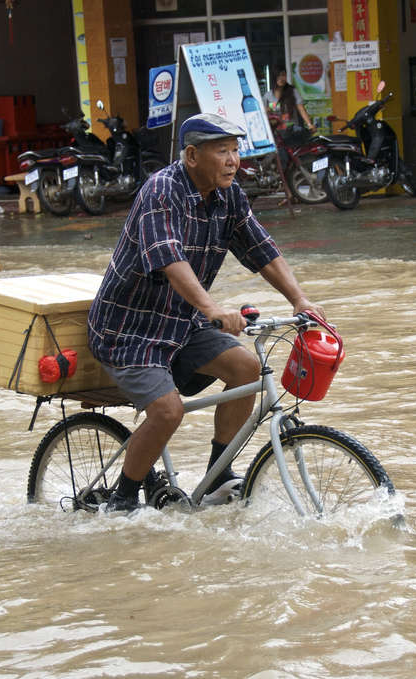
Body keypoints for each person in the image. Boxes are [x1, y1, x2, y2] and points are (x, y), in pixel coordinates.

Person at [87, 113, 325, 514]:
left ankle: (217, 475)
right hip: (128, 329)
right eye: (222, 151)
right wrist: (213, 308)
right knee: (167, 411)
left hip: (182, 322)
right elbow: (168, 258)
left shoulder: (230, 196)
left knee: (247, 369)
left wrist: (299, 300)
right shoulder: (162, 190)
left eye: (235, 150)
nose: (233, 160)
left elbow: (261, 249)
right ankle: (122, 500)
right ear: (193, 155)